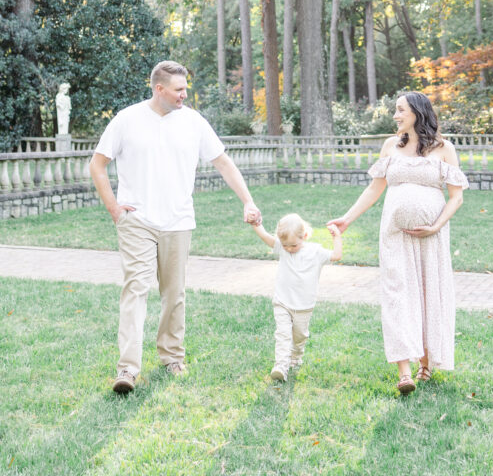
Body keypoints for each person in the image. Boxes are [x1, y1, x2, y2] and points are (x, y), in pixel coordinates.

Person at [89, 60, 262, 394]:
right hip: (136, 221)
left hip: (178, 221)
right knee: (136, 289)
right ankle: (127, 368)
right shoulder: (127, 119)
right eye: (179, 89)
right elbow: (98, 164)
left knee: (173, 293)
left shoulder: (193, 121)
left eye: (186, 88)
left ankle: (172, 357)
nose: (185, 94)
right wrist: (114, 208)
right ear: (159, 89)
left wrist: (248, 200)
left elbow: (223, 162)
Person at [327, 90, 468, 396]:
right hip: (394, 235)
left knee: (429, 292)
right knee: (397, 293)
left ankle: (427, 363)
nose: (395, 115)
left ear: (417, 111)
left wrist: (435, 226)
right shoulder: (391, 146)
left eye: (400, 110)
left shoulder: (444, 148)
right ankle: (404, 372)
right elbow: (374, 190)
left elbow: (456, 197)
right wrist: (347, 219)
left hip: (432, 237)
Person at [250, 212, 343, 381]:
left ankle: (296, 356)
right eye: (285, 245)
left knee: (299, 336)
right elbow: (265, 237)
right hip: (282, 302)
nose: (288, 249)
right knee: (283, 335)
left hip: (304, 306)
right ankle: (281, 366)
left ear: (305, 236)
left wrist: (336, 236)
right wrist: (256, 224)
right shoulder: (282, 247)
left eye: (293, 245)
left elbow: (336, 256)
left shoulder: (315, 251)